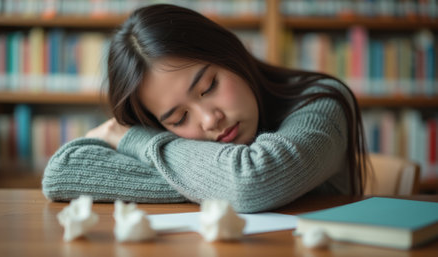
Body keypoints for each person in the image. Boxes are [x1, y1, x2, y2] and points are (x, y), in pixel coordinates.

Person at [42, 4, 368, 213]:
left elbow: (252, 180)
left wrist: (134, 139)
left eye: (209, 86)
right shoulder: (176, 137)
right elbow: (62, 171)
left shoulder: (322, 101)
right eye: (179, 117)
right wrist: (214, 183)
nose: (211, 119)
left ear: (230, 52)